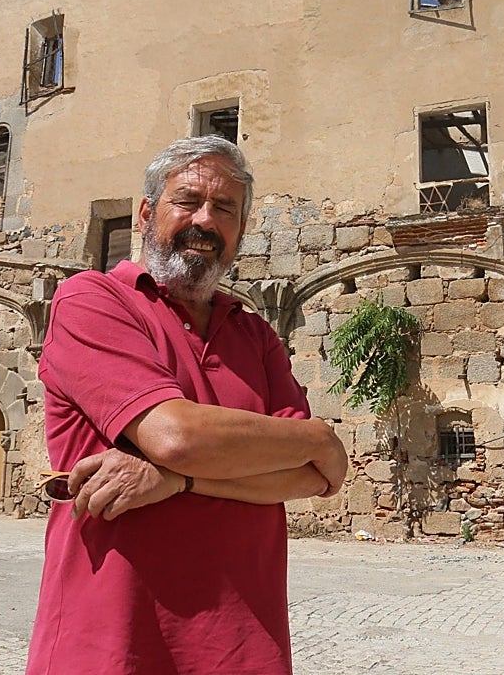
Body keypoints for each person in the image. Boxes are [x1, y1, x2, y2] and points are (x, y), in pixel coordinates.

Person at [24, 136, 348, 675]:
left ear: (239, 232)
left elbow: (315, 477)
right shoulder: (92, 299)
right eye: (188, 200)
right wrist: (314, 436)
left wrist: (179, 481)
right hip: (111, 643)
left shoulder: (256, 335)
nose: (205, 219)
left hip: (243, 648)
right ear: (148, 213)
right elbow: (176, 437)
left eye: (225, 209)